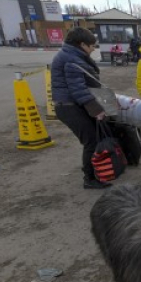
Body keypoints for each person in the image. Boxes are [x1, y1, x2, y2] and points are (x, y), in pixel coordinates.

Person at [50, 27, 109, 189]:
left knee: (94, 139)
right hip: (69, 107)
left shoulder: (72, 55)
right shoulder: (71, 59)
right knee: (91, 140)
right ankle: (90, 178)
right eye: (92, 46)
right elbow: (78, 89)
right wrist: (96, 110)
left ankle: (96, 172)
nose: (93, 50)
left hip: (72, 105)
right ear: (82, 44)